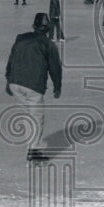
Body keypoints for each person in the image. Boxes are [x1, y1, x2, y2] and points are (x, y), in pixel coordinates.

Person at [5, 12, 62, 162]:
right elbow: (55, 67)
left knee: (29, 115)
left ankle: (32, 146)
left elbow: (11, 59)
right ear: (48, 28)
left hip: (15, 84)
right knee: (36, 118)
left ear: (34, 26)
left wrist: (8, 81)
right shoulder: (49, 44)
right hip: (33, 87)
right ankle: (33, 152)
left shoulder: (21, 38)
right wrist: (58, 87)